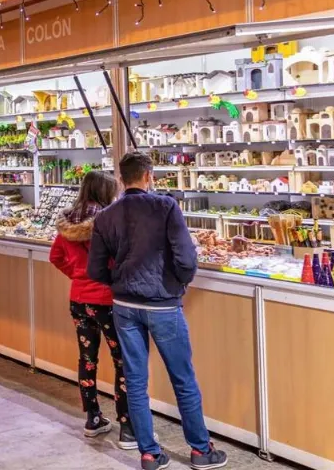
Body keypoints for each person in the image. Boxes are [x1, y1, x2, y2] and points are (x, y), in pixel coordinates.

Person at [88, 152, 227, 470]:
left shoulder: (106, 216)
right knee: (183, 378)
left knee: (135, 380)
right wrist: (177, 285)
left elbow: (95, 269)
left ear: (121, 178)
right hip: (163, 305)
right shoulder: (166, 206)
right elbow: (187, 259)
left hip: (124, 307)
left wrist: (120, 281)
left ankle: (149, 453)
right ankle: (200, 450)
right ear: (149, 176)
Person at [49, 171, 134, 447]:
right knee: (122, 362)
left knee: (87, 358)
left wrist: (77, 275)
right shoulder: (108, 222)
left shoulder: (67, 223)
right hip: (108, 301)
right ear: (105, 193)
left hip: (79, 300)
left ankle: (93, 419)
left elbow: (56, 257)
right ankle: (127, 426)